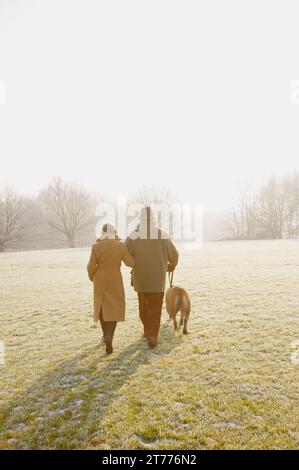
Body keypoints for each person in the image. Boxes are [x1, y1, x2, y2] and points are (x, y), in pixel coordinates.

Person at [126, 206, 179, 348]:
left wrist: (134, 265)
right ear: (153, 218)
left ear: (140, 218)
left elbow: (126, 256)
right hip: (157, 280)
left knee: (143, 308)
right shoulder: (162, 234)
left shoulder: (133, 236)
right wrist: (170, 266)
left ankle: (147, 331)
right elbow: (174, 255)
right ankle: (152, 336)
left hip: (140, 280)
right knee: (155, 309)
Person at [87, 222, 134, 354]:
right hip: (115, 277)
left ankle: (104, 335)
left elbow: (90, 266)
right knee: (115, 306)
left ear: (102, 233)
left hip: (100, 278)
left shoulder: (96, 246)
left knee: (101, 306)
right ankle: (109, 336)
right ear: (114, 232)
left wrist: (93, 277)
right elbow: (130, 263)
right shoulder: (120, 245)